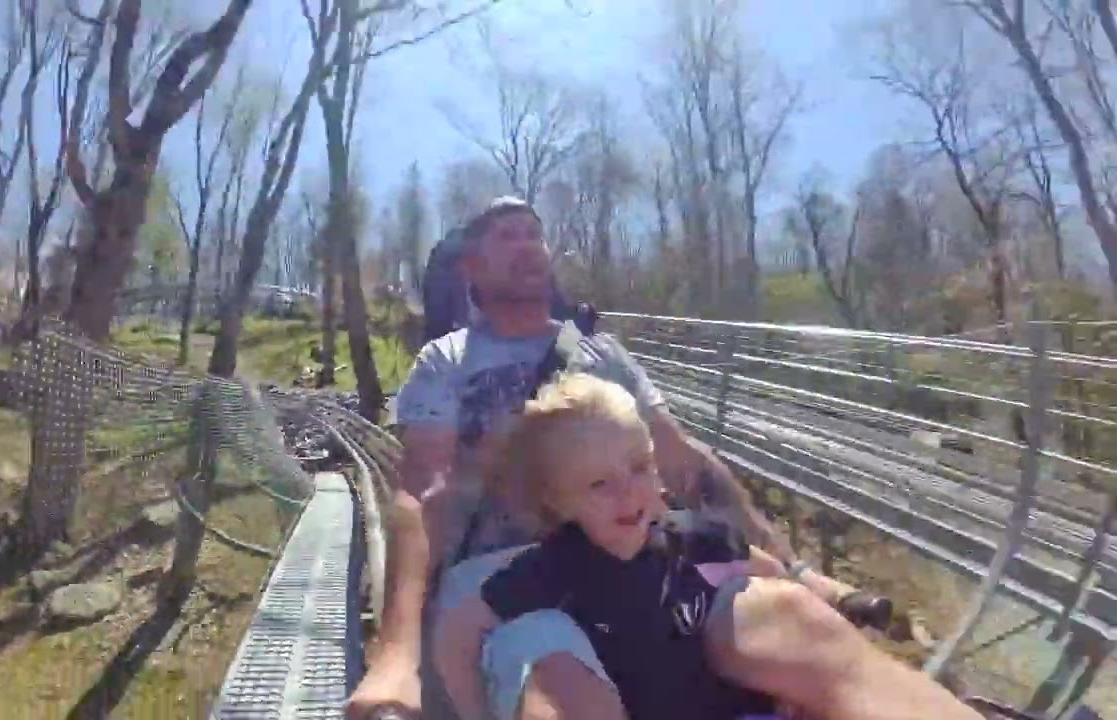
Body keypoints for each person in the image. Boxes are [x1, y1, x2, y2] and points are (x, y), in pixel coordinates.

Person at [344, 196, 894, 720]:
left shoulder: (602, 354)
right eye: (506, 236)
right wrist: (398, 651)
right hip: (510, 572)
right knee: (556, 682)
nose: (527, 245)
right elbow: (421, 494)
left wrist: (790, 566)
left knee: (793, 635)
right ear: (472, 265)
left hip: (628, 551)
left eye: (534, 234)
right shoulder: (447, 360)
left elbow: (684, 463)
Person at [432, 373, 983, 720]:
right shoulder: (554, 568)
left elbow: (757, 562)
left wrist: (813, 590)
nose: (630, 494)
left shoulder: (690, 536)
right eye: (599, 485)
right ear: (560, 503)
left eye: (639, 468)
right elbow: (459, 631)